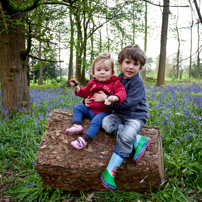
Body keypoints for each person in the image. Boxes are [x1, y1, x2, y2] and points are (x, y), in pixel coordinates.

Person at [88, 45, 151, 191]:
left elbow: (127, 103)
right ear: (120, 63)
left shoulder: (138, 83)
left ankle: (110, 172)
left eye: (135, 64)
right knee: (106, 122)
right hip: (118, 115)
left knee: (126, 135)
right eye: (128, 62)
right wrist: (87, 101)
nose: (131, 67)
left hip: (135, 117)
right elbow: (97, 92)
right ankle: (138, 140)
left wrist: (108, 98)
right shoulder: (115, 80)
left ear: (140, 68)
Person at [65, 53, 127, 150]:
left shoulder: (115, 83)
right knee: (78, 108)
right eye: (99, 70)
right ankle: (77, 125)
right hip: (90, 110)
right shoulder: (92, 83)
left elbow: (122, 92)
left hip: (103, 113)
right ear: (93, 72)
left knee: (96, 121)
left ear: (112, 72)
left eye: (106, 70)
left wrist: (115, 97)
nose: (102, 72)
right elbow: (84, 92)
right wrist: (77, 88)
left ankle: (85, 139)